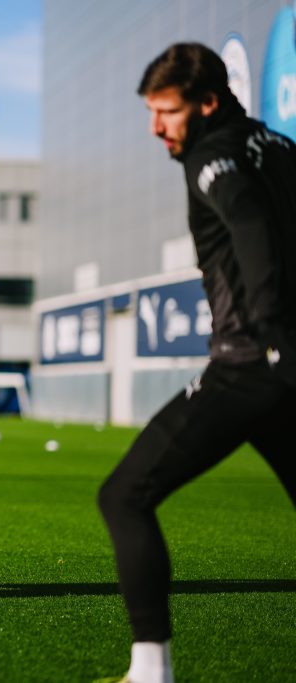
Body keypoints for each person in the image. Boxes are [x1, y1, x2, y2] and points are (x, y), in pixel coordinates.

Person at [97, 43, 296, 683]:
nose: (157, 128)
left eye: (167, 112)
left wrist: (270, 336)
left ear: (206, 103)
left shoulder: (209, 156)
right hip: (284, 367)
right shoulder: (278, 145)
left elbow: (249, 227)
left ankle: (151, 670)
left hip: (249, 366)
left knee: (124, 496)